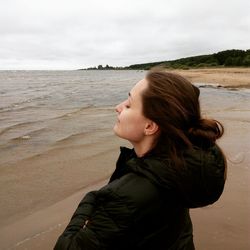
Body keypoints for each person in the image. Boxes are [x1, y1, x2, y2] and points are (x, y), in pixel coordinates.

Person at [54, 70, 227, 250]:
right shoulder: (179, 166)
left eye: (128, 105)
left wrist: (90, 199)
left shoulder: (126, 196)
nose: (118, 107)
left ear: (150, 126)